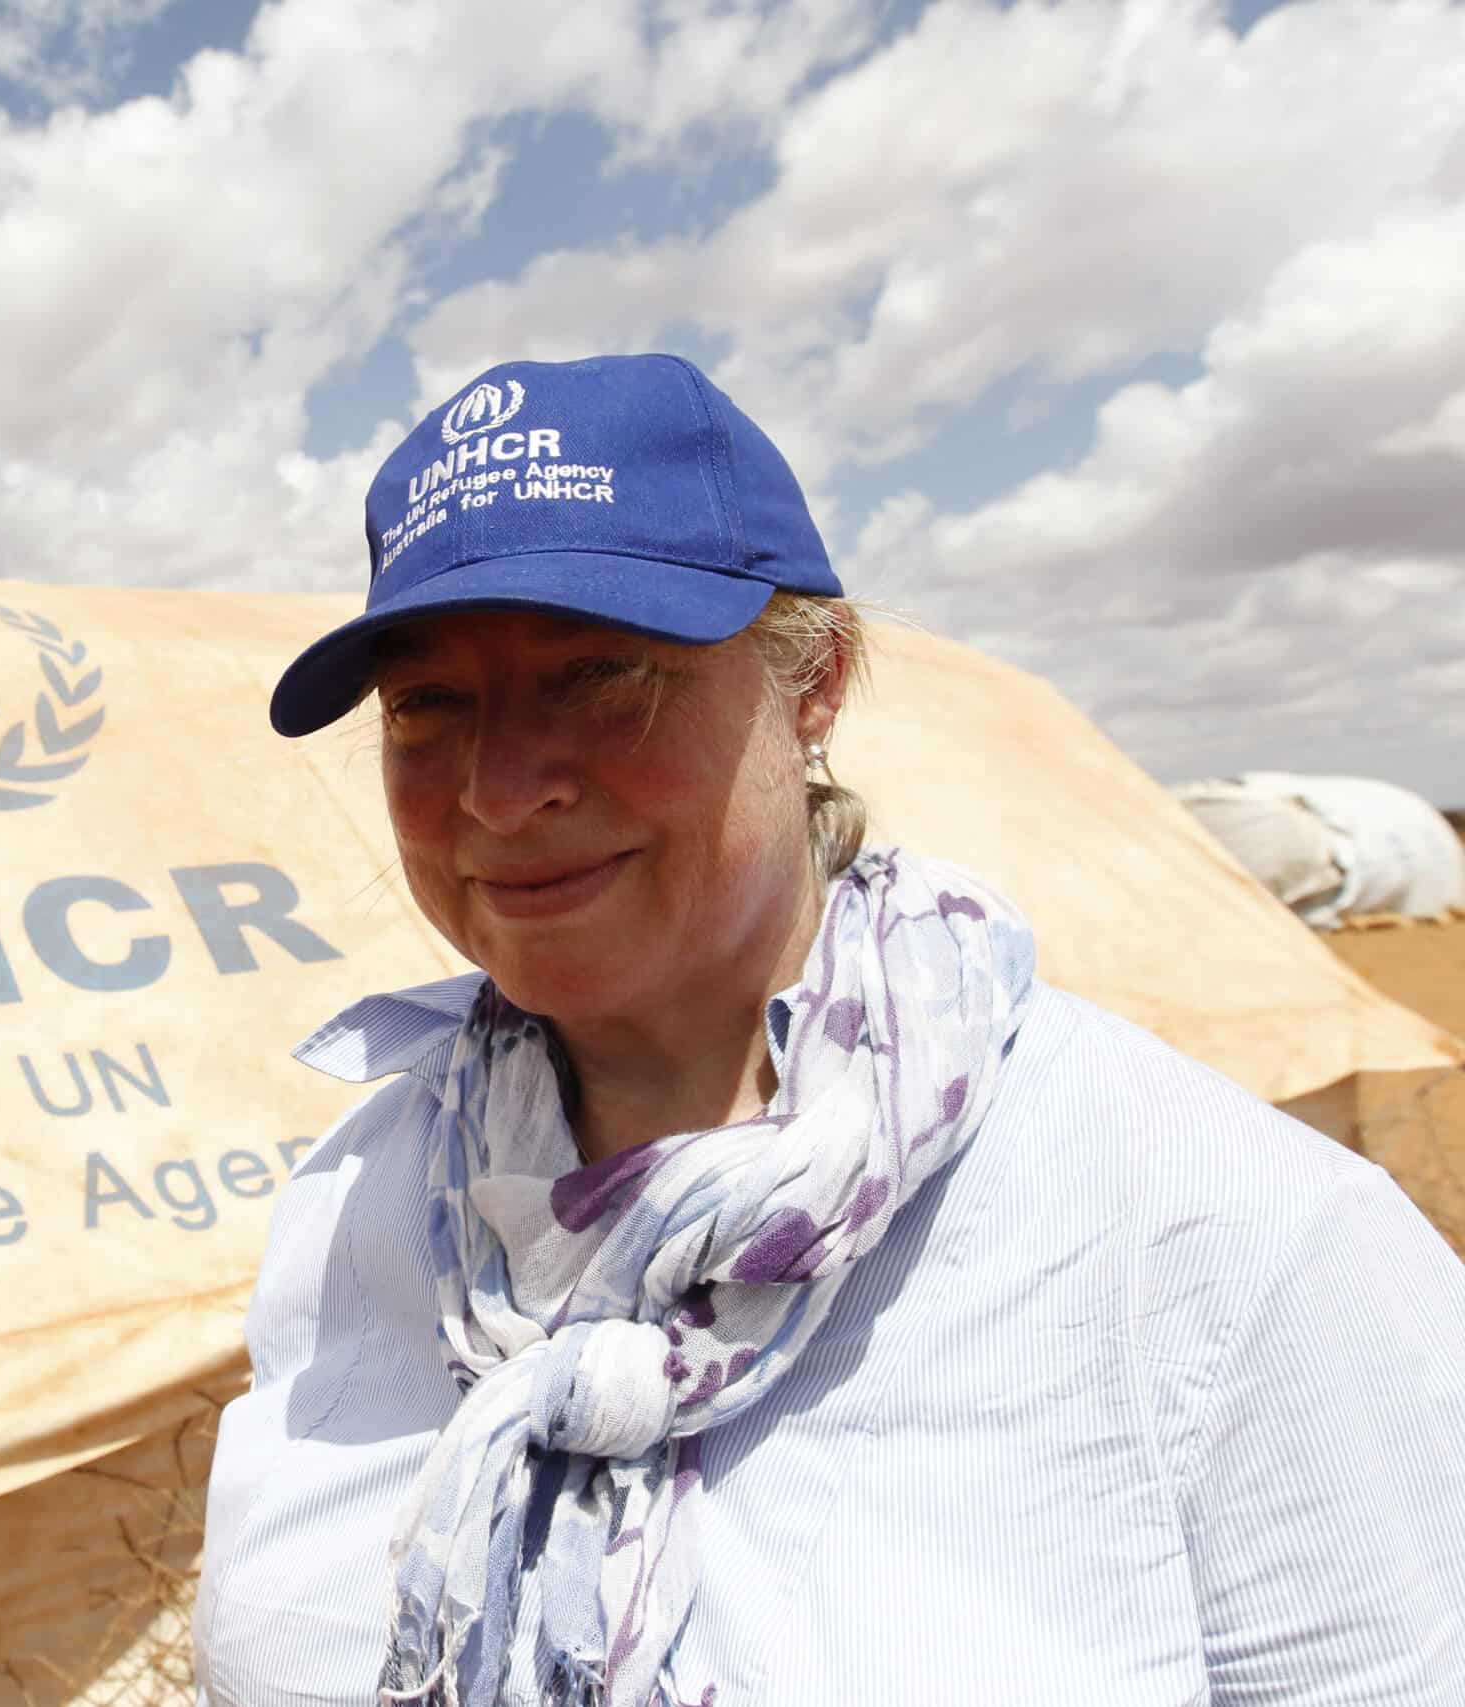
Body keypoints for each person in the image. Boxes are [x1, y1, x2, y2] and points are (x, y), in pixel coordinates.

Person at [191, 353, 1465, 1706]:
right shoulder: (357, 1203)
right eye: (427, 705)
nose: (501, 790)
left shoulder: (1223, 1237)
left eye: (602, 672)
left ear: (816, 685)